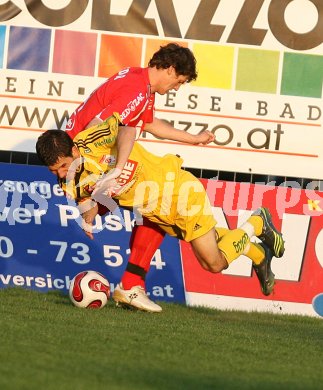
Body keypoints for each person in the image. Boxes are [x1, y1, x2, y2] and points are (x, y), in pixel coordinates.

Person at [36, 116, 285, 313]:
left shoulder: (94, 139)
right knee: (209, 242)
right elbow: (92, 206)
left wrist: (117, 167)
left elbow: (130, 125)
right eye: (53, 170)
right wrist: (88, 215)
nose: (59, 174)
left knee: (214, 263)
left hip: (178, 192)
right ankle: (258, 253)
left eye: (62, 166)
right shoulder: (67, 182)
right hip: (156, 212)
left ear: (75, 152)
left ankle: (256, 222)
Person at [65, 42, 214, 194]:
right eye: (179, 81)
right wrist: (104, 171)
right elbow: (95, 127)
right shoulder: (137, 90)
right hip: (75, 158)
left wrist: (195, 138)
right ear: (170, 69)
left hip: (76, 155)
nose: (176, 88)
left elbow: (151, 124)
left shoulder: (142, 83)